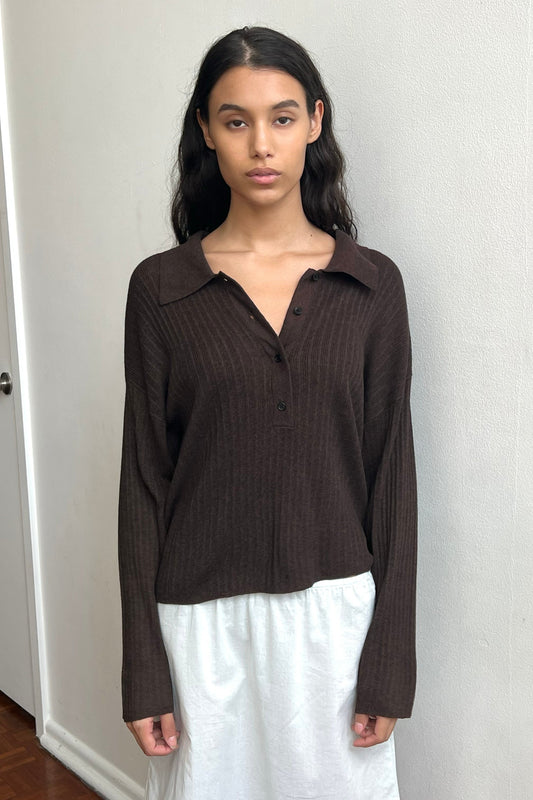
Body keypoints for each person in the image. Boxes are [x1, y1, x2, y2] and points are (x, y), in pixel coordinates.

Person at [118, 25, 417, 800]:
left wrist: (388, 661)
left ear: (315, 122)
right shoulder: (160, 290)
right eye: (236, 119)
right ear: (205, 131)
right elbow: (144, 486)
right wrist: (144, 670)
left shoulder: (370, 286)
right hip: (200, 630)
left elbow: (392, 481)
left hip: (336, 626)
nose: (261, 144)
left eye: (282, 117)